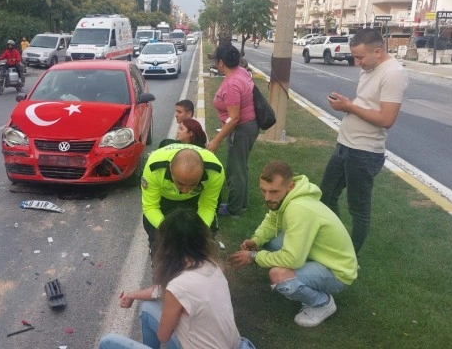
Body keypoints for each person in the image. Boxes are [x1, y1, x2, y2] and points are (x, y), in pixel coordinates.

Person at [98, 208, 255, 349]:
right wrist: (132, 295)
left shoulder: (178, 286)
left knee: (108, 341)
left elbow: (163, 336)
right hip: (232, 345)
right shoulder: (213, 266)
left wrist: (173, 314)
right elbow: (160, 291)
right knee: (147, 307)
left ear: (167, 245)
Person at [230, 161, 358, 327]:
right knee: (269, 240)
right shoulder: (289, 198)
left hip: (338, 272)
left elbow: (292, 260)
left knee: (279, 276)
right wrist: (256, 240)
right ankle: (309, 278)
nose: (267, 197)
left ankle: (322, 304)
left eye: (273, 191)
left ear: (289, 187)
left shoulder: (298, 209)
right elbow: (272, 220)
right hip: (322, 257)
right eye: (263, 190)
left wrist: (254, 257)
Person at [320, 29, 408, 254]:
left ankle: (350, 258)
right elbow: (368, 104)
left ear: (378, 52)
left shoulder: (393, 73)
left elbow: (387, 119)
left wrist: (349, 107)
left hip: (364, 152)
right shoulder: (370, 68)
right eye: (355, 57)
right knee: (326, 195)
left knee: (358, 209)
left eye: (360, 57)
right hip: (345, 145)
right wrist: (349, 104)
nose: (356, 62)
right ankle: (337, 246)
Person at [141, 143, 224, 253]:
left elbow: (207, 206)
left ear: (203, 171)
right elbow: (150, 206)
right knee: (159, 238)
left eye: (192, 184)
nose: (185, 191)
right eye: (180, 183)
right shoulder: (154, 168)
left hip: (196, 197)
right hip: (164, 198)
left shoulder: (216, 172)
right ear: (170, 168)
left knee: (202, 238)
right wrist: (168, 230)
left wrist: (198, 231)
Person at [207, 44, 258, 217]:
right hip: (248, 126)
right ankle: (242, 204)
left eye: (215, 60)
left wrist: (216, 140)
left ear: (221, 62)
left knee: (234, 170)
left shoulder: (232, 83)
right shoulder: (241, 72)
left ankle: (234, 209)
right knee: (240, 167)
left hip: (241, 129)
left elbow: (234, 118)